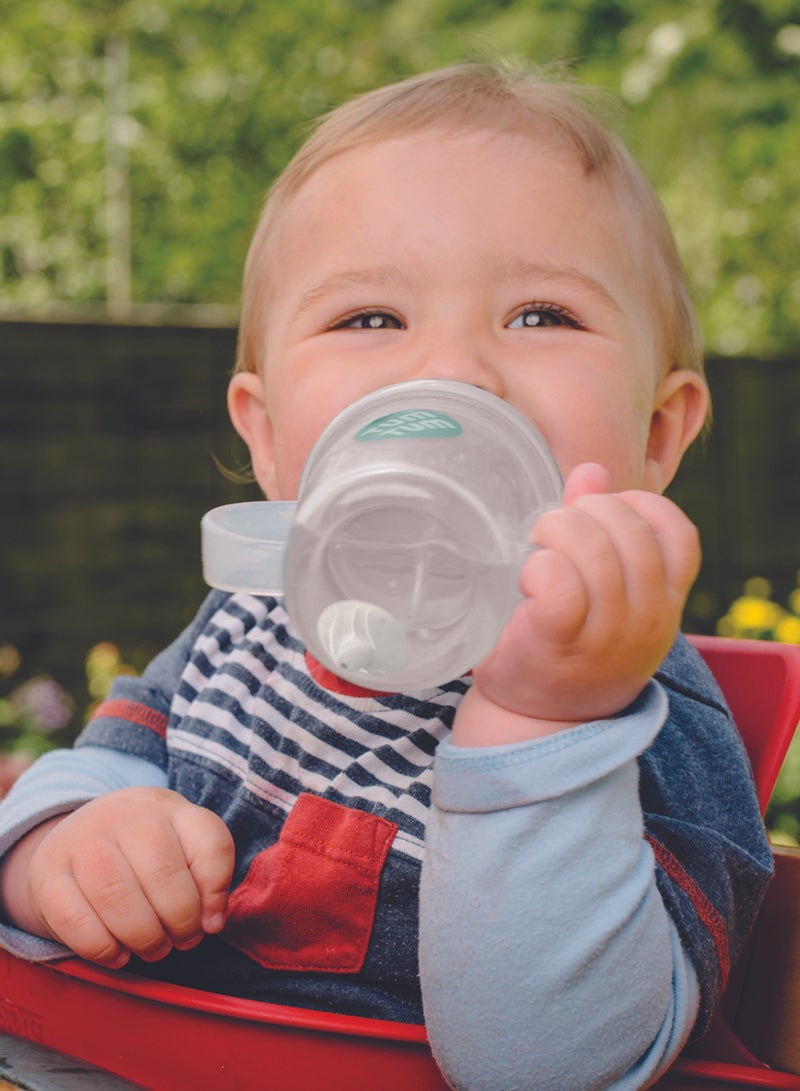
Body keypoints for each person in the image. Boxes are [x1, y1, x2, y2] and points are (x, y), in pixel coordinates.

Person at [0, 62, 772, 1090]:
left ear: (656, 432)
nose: (449, 372)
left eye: (539, 314)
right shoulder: (248, 619)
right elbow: (109, 758)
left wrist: (543, 719)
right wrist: (68, 845)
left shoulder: (642, 712)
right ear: (268, 437)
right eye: (369, 318)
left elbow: (549, 1064)